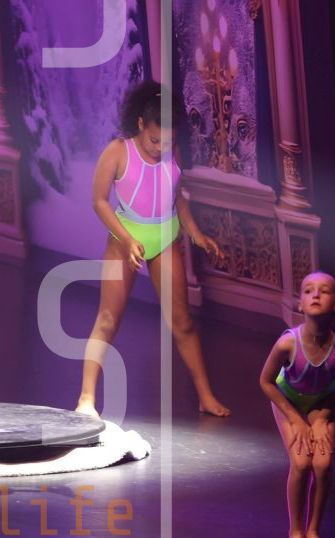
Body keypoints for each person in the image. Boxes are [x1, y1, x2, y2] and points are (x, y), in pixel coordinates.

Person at [74, 80, 230, 417]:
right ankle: (86, 398)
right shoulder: (119, 150)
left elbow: (177, 198)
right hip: (125, 238)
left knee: (183, 323)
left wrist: (196, 233)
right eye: (154, 140)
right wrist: (128, 239)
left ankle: (205, 396)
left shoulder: (172, 152)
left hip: (165, 238)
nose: (160, 148)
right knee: (108, 318)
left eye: (168, 142)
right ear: (141, 124)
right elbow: (99, 202)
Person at [258, 270, 335, 538]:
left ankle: (313, 531)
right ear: (300, 303)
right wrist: (295, 419)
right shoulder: (287, 343)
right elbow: (266, 382)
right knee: (301, 463)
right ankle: (296, 533)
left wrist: (323, 415)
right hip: (288, 402)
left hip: (322, 404)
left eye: (324, 291)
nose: (315, 295)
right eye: (309, 290)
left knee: (323, 465)